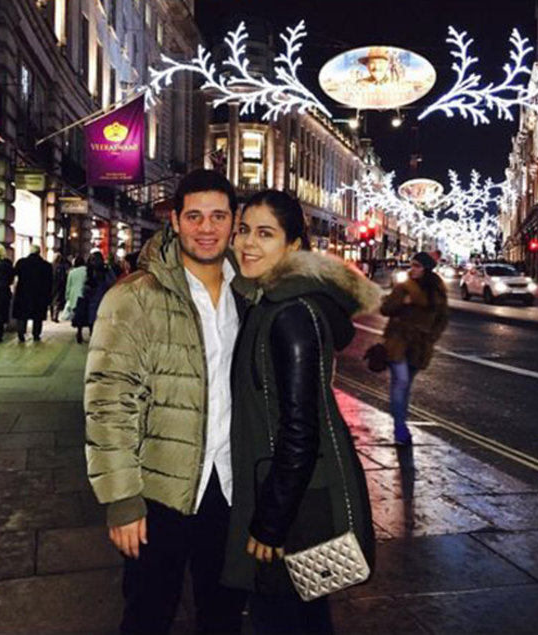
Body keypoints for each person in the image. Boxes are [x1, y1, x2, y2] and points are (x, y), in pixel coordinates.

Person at [84, 169, 254, 635]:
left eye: (218, 216)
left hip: (230, 489)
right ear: (175, 221)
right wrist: (122, 499)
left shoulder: (250, 293)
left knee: (223, 618)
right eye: (194, 216)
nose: (206, 228)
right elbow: (108, 402)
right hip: (158, 492)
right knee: (147, 616)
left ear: (234, 221)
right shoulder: (134, 297)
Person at [223, 190, 379, 634]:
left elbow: (300, 431)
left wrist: (270, 524)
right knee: (306, 617)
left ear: (292, 245)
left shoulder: (290, 314)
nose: (248, 243)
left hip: (289, 508)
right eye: (244, 230)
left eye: (265, 234)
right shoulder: (269, 300)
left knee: (281, 617)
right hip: (288, 495)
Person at [380, 251, 449, 445]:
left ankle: (401, 421)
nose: (412, 269)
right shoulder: (403, 288)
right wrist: (401, 302)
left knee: (406, 386)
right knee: (400, 382)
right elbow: (385, 309)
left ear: (426, 269)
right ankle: (400, 428)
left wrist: (432, 337)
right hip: (398, 341)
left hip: (419, 345)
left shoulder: (436, 290)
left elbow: (443, 317)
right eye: (412, 265)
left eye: (417, 266)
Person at [72, 252, 115, 344]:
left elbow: (85, 285)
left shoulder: (90, 270)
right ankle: (95, 336)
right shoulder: (105, 270)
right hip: (102, 297)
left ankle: (89, 334)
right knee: (98, 318)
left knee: (89, 317)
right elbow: (112, 282)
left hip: (91, 298)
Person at [12, 245, 53, 342]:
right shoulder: (46, 265)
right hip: (39, 294)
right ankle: (36, 334)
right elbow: (49, 282)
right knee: (37, 315)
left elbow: (14, 274)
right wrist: (48, 297)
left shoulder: (21, 263)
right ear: (39, 252)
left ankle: (21, 333)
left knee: (22, 314)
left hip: (23, 293)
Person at [63, 255, 87, 322]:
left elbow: (68, 285)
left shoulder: (72, 272)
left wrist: (67, 296)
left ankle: (77, 324)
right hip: (84, 294)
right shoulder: (86, 270)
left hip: (73, 296)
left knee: (75, 313)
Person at [50, 254, 70, 322]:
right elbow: (63, 277)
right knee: (57, 301)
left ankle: (52, 315)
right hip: (59, 285)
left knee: (52, 301)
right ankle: (55, 316)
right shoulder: (61, 267)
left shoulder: (51, 266)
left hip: (51, 285)